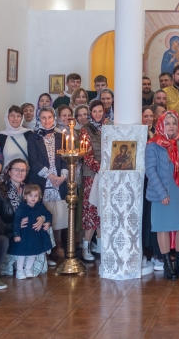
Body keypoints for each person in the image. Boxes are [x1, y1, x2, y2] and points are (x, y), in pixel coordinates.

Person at [145, 111, 179, 280]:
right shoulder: (153, 144)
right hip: (162, 192)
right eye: (167, 123)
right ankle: (167, 265)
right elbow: (150, 171)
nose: (171, 126)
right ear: (161, 125)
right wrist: (161, 193)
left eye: (174, 123)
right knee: (162, 226)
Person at [27, 107, 68, 259]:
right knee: (44, 213)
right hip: (43, 180)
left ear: (54, 118)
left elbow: (65, 157)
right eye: (43, 118)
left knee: (58, 214)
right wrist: (50, 176)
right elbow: (34, 160)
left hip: (58, 180)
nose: (47, 121)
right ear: (39, 119)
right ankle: (44, 248)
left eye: (49, 117)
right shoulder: (33, 137)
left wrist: (62, 177)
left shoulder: (60, 136)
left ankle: (57, 244)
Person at [9, 184, 53, 279]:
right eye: (30, 195)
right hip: (24, 235)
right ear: (25, 196)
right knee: (22, 253)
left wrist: (47, 222)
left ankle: (28, 269)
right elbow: (16, 222)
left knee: (33, 252)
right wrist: (16, 234)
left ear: (39, 196)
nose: (33, 198)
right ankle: (20, 270)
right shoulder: (21, 208)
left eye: (36, 196)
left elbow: (48, 214)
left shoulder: (40, 206)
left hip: (35, 235)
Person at [80, 100, 104, 261]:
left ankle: (101, 245)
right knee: (91, 209)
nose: (97, 114)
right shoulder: (85, 129)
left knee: (102, 209)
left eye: (100, 111)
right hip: (92, 174)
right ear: (90, 113)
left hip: (105, 174)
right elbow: (86, 155)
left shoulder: (108, 128)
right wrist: (99, 168)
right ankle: (86, 245)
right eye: (94, 111)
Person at [0, 105, 33, 172]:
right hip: (6, 176)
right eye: (12, 115)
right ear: (7, 117)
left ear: (22, 118)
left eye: (18, 116)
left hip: (26, 176)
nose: (15, 118)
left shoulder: (29, 134)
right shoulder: (0, 136)